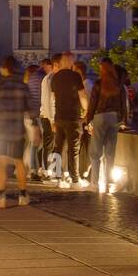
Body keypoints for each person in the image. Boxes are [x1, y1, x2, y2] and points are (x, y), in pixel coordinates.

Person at [0, 57, 32, 208]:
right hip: (18, 129)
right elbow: (30, 107)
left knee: (1, 162)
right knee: (19, 162)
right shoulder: (22, 86)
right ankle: (23, 195)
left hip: (1, 130)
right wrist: (34, 127)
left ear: (3, 68)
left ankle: (1, 197)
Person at [84, 59, 125, 192]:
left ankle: (95, 183)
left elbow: (93, 103)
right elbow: (123, 104)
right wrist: (122, 119)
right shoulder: (118, 85)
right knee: (110, 152)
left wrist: (88, 119)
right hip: (114, 118)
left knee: (95, 152)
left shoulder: (98, 84)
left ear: (102, 69)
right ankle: (107, 183)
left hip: (100, 117)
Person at [49, 53, 88, 188]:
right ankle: (75, 179)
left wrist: (53, 119)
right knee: (73, 149)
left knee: (58, 147)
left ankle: (57, 178)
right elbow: (82, 96)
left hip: (59, 117)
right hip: (73, 117)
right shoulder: (75, 76)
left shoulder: (54, 78)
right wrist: (87, 112)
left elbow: (53, 99)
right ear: (70, 62)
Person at [38, 57, 57, 178]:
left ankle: (49, 170)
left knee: (51, 144)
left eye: (44, 66)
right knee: (49, 145)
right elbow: (49, 100)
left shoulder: (49, 78)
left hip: (48, 116)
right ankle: (47, 171)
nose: (43, 68)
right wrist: (52, 119)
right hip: (48, 116)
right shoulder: (50, 78)